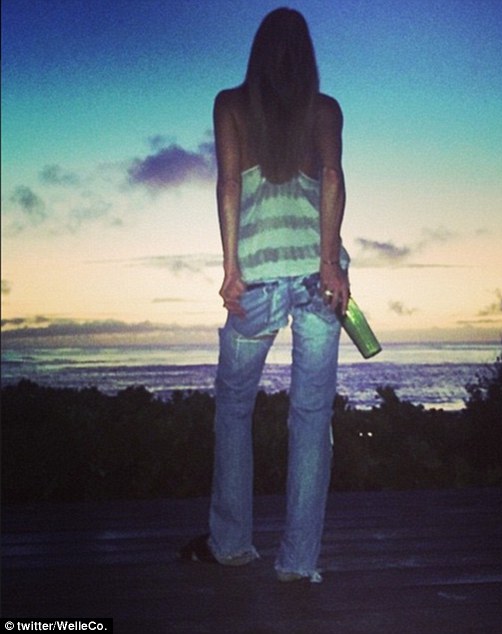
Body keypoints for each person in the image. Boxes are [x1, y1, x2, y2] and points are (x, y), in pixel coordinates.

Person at [181, 8, 349, 584]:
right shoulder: (325, 109)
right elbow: (332, 178)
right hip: (316, 280)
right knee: (311, 417)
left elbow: (229, 184)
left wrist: (231, 268)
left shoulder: (230, 104)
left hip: (255, 277)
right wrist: (328, 264)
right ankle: (298, 562)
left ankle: (230, 544)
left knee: (234, 409)